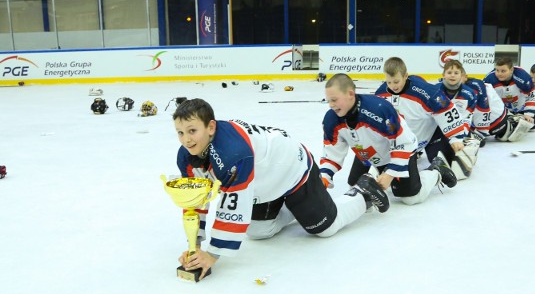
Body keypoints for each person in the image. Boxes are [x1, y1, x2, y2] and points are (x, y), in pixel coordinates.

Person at [171, 98, 390, 279]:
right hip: (262, 183)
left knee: (325, 228)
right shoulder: (187, 156)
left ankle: (364, 192)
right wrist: (195, 246)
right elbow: (197, 199)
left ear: (211, 127)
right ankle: (297, 209)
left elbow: (233, 206)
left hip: (293, 171)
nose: (186, 140)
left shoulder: (232, 153)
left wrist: (211, 255)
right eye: (180, 133)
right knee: (258, 232)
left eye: (192, 131)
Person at [321, 73, 457, 207]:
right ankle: (381, 173)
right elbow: (332, 154)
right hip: (369, 154)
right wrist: (324, 178)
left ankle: (437, 170)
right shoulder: (330, 120)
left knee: (411, 197)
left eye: (334, 100)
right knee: (354, 185)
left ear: (350, 94)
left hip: (399, 151)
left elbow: (404, 142)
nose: (331, 105)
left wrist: (390, 173)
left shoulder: (379, 110)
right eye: (329, 101)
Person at [374, 57, 475, 179]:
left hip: (431, 134)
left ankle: (467, 141)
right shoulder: (380, 93)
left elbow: (446, 109)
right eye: (388, 82)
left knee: (451, 166)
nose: (393, 86)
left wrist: (456, 138)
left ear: (405, 76)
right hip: (406, 141)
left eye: (396, 82)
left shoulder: (426, 92)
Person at [484, 57, 535, 142]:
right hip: (504, 110)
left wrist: (528, 114)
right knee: (503, 135)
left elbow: (532, 94)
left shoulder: (522, 76)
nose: (499, 74)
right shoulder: (489, 79)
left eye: (503, 71)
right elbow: (484, 100)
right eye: (497, 70)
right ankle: (512, 119)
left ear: (511, 70)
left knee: (533, 126)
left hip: (521, 107)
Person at [461, 68, 510, 145]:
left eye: (457, 74)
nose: (453, 77)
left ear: (465, 77)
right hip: (498, 117)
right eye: (450, 73)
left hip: (495, 121)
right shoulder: (466, 85)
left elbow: (483, 108)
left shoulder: (474, 87)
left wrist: (481, 133)